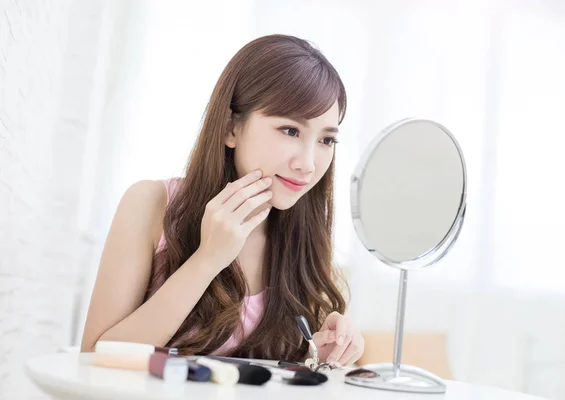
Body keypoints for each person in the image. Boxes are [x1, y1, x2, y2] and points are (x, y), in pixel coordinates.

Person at [80, 34, 364, 366]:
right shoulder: (152, 204)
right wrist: (207, 260)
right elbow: (94, 359)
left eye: (326, 139)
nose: (309, 163)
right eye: (290, 131)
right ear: (231, 127)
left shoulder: (301, 235)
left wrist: (316, 353)